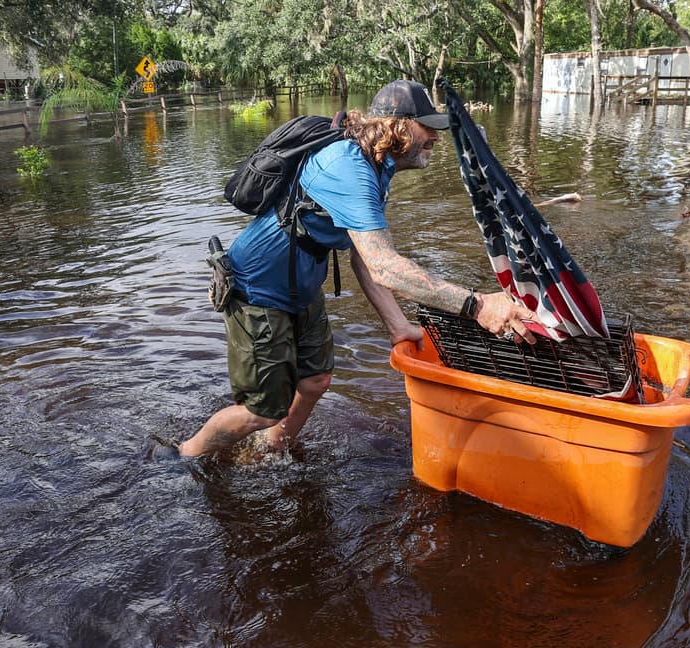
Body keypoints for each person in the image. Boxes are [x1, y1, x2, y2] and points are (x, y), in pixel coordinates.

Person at [171, 80, 535, 458]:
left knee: (315, 380)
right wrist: (478, 306)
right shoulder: (349, 169)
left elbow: (365, 256)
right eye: (427, 127)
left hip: (300, 286)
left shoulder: (376, 165)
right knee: (262, 410)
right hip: (256, 289)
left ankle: (274, 450)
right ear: (398, 127)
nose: (435, 137)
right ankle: (184, 454)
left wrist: (397, 325)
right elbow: (385, 267)